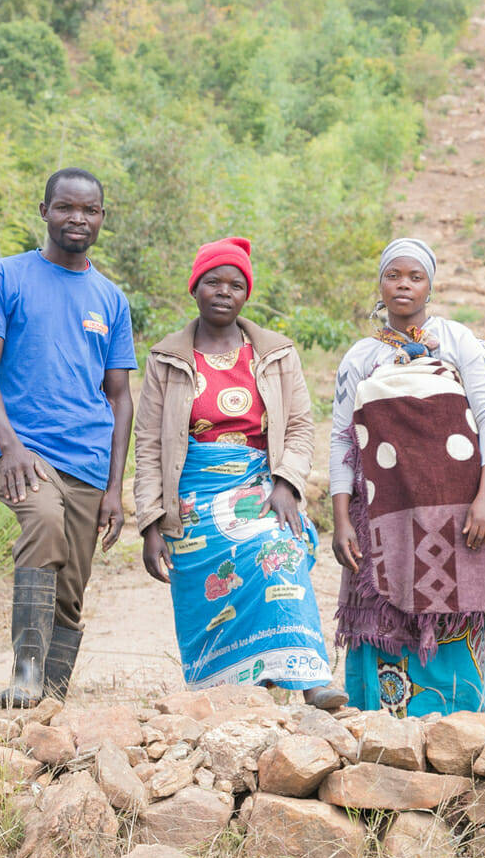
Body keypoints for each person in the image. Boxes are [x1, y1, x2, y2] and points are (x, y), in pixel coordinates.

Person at [134, 237, 346, 708]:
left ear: (246, 293)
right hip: (191, 498)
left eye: (236, 284)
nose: (224, 291)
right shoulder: (166, 359)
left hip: (258, 487)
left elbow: (299, 425)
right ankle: (237, 694)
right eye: (213, 282)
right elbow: (148, 444)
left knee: (278, 549)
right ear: (195, 288)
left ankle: (310, 676)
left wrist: (288, 484)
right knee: (218, 592)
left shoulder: (275, 353)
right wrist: (150, 525)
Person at [0, 168, 136, 708]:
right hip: (24, 451)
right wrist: (9, 445)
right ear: (44, 211)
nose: (77, 219)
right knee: (42, 522)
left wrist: (114, 489)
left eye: (89, 210)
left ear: (102, 218)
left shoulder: (110, 299)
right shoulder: (5, 277)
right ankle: (26, 672)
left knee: (72, 582)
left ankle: (51, 699)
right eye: (65, 208)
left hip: (88, 459)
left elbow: (120, 396)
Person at [331, 238, 485, 716]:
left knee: (453, 611)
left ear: (431, 286)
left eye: (415, 277)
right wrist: (341, 519)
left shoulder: (457, 340)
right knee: (381, 614)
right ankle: (381, 735)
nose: (403, 285)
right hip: (379, 514)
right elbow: (342, 441)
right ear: (380, 284)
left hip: (454, 515)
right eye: (393, 275)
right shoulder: (360, 357)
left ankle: (458, 733)